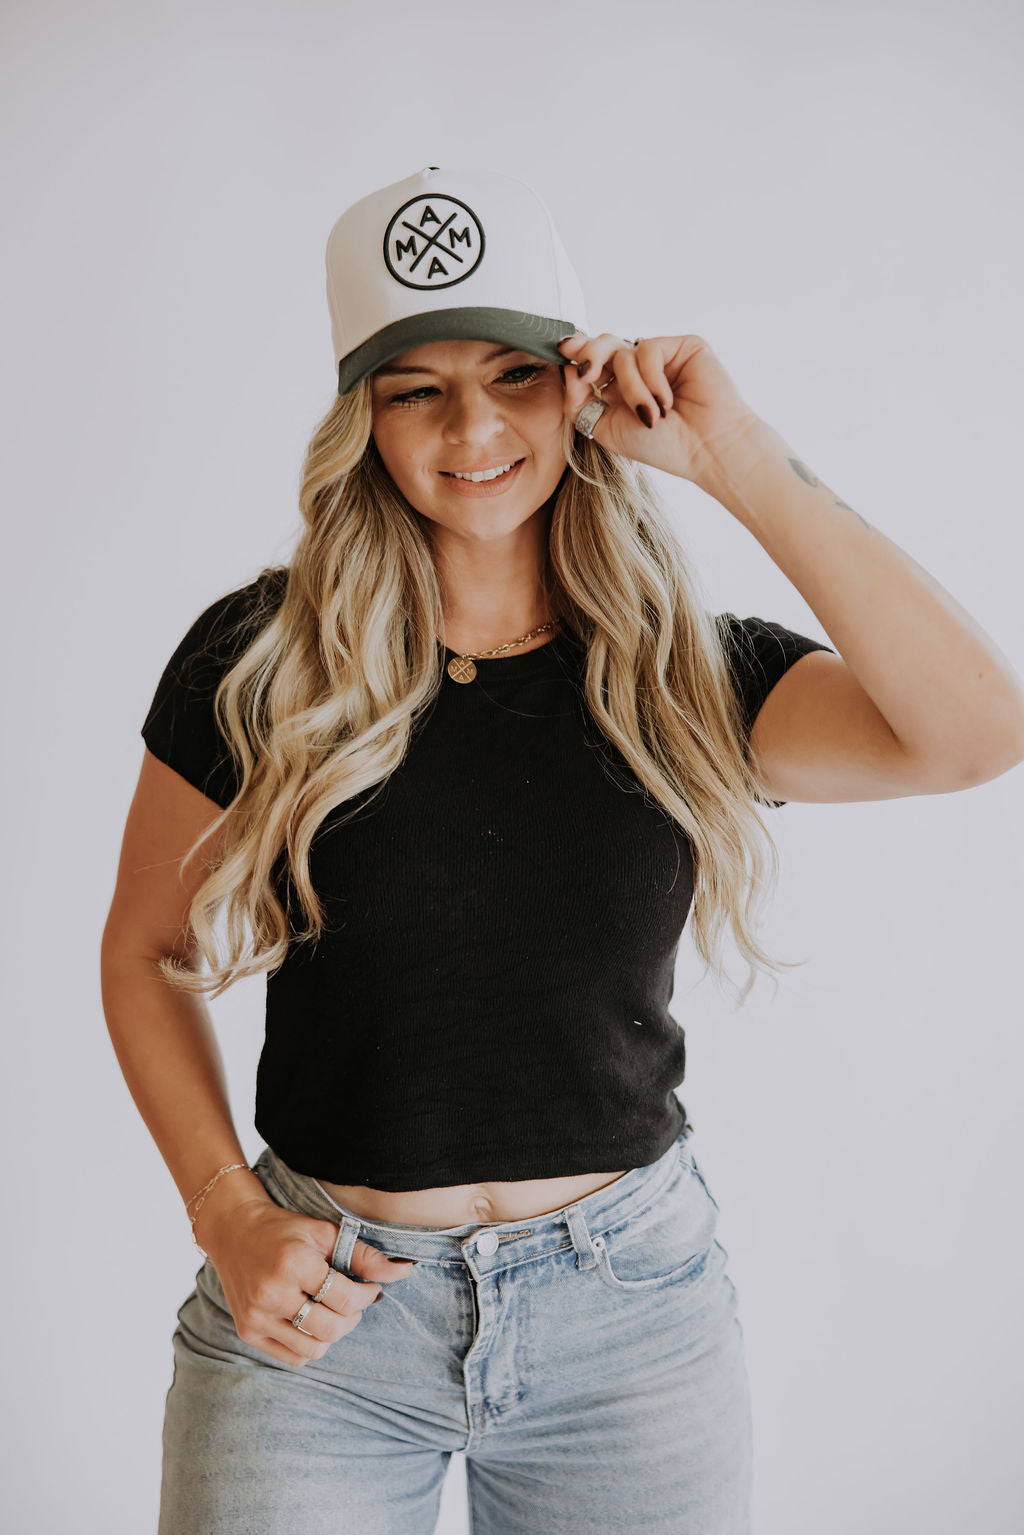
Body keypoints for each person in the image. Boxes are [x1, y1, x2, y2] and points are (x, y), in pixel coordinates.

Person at [100, 166, 1024, 1535]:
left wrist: (737, 457)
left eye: (515, 376)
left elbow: (974, 733)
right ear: (363, 418)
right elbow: (147, 952)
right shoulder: (263, 659)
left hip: (629, 1325)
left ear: (577, 389)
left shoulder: (684, 678)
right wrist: (224, 1210)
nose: (471, 426)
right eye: (417, 388)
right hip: (320, 1321)